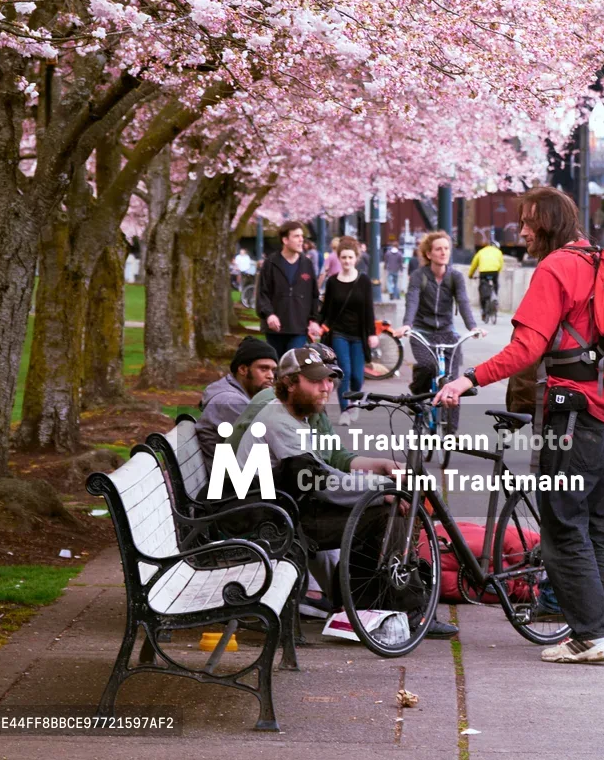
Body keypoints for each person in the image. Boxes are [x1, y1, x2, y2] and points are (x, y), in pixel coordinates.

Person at [436, 186, 604, 666]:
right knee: (597, 525)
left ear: (548, 225)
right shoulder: (598, 259)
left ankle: (589, 635)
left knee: (563, 525)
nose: (521, 231)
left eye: (528, 223)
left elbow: (526, 348)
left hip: (571, 416)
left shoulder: (557, 267)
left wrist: (468, 379)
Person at [229, 347, 455, 639]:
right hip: (268, 520)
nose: (327, 387)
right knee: (384, 513)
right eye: (317, 381)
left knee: (382, 510)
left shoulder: (296, 415)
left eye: (329, 380)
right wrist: (383, 490)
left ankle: (361, 607)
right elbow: (320, 482)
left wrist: (381, 477)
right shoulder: (278, 423)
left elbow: (327, 468)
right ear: (290, 383)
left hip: (286, 509)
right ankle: (395, 610)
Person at [397, 230, 482, 402]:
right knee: (428, 366)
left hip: (446, 330)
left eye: (446, 248)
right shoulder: (418, 276)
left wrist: (473, 327)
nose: (443, 252)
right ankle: (418, 395)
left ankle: (450, 427)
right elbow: (412, 300)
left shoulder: (455, 276)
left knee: (452, 380)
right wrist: (407, 325)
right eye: (438, 249)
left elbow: (463, 301)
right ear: (428, 254)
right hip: (422, 331)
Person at [195, 337, 279, 468]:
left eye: (273, 370)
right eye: (264, 369)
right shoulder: (231, 403)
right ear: (243, 370)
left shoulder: (236, 394)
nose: (271, 376)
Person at [319, 236, 377, 418]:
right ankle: (345, 409)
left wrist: (372, 333)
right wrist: (317, 323)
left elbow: (369, 309)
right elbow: (326, 308)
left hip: (358, 334)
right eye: (343, 257)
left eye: (350, 257)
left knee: (357, 377)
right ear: (338, 258)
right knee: (343, 371)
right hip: (339, 333)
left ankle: (354, 400)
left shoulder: (364, 281)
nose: (346, 261)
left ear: (356, 258)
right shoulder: (333, 282)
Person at [255, 220, 323, 356]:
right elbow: (262, 293)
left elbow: (314, 295)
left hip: (299, 327)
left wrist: (314, 320)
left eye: (302, 236)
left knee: (293, 363)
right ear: (285, 240)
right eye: (296, 236)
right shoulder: (271, 263)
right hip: (275, 328)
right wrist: (269, 315)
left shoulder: (307, 264)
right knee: (278, 366)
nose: (301, 240)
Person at [469, 234, 504, 317]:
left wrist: (470, 275)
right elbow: (501, 264)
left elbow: (474, 264)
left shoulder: (481, 251)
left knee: (482, 288)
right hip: (494, 271)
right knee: (496, 284)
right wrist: (498, 271)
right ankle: (495, 296)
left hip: (484, 272)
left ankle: (483, 309)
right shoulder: (498, 252)